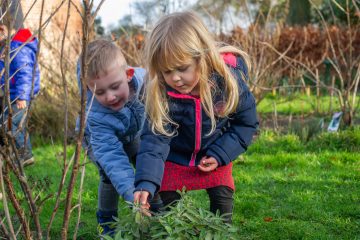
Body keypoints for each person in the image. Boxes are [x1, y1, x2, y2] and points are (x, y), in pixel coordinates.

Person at [133, 11, 259, 223]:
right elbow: (155, 139)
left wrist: (220, 154)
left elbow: (245, 124)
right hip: (176, 156)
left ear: (203, 56)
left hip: (215, 152)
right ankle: (173, 232)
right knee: (167, 207)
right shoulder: (163, 92)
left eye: (182, 68)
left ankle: (220, 233)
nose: (175, 78)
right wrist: (146, 181)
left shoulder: (228, 84)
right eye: (166, 71)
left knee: (222, 198)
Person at [76, 39, 147, 237]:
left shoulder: (146, 84)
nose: (109, 97)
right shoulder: (96, 116)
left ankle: (154, 207)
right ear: (90, 89)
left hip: (131, 132)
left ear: (128, 75)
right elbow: (112, 158)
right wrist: (130, 193)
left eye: (115, 87)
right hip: (99, 140)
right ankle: (106, 223)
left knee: (145, 163)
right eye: (100, 92)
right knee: (109, 176)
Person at [0, 24, 40, 166]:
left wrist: (22, 96)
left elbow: (25, 72)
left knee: (7, 124)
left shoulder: (18, 47)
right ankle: (16, 155)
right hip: (11, 95)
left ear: (3, 29)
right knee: (17, 125)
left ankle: (25, 154)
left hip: (19, 97)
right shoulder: (10, 46)